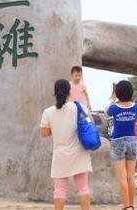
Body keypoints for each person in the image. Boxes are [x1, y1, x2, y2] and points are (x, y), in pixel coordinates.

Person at [40, 79, 92, 210]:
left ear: (55, 92)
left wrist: (56, 128)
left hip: (60, 154)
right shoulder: (79, 107)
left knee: (60, 190)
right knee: (83, 188)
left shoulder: (48, 112)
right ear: (69, 91)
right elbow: (89, 123)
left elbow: (44, 133)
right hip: (79, 152)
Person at [106, 81, 137, 210]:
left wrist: (113, 96)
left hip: (118, 141)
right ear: (131, 92)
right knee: (131, 177)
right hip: (132, 140)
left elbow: (107, 112)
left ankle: (126, 206)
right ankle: (131, 205)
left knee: (122, 177)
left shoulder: (114, 108)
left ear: (117, 93)